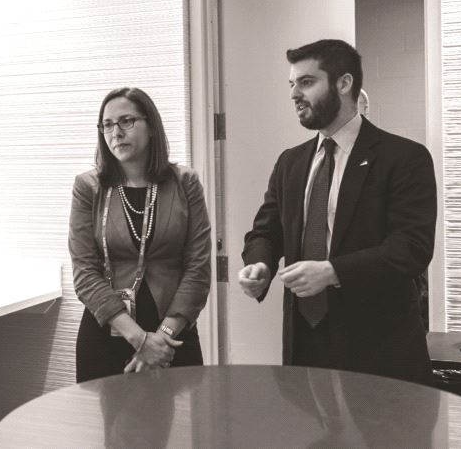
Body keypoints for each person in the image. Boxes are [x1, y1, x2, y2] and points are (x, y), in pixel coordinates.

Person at [237, 39, 436, 385]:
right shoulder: (290, 162)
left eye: (306, 82)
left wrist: (332, 272)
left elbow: (411, 249)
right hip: (305, 343)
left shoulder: (404, 158)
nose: (294, 94)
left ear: (343, 83)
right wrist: (260, 265)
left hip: (379, 349)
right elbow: (265, 233)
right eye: (292, 84)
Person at [69, 87, 211, 383]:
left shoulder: (185, 183)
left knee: (184, 414)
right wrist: (140, 340)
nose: (116, 133)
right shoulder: (88, 187)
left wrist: (162, 338)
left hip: (172, 336)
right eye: (107, 125)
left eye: (126, 121)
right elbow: (84, 272)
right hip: (107, 330)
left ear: (152, 126)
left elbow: (198, 268)